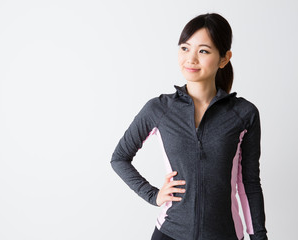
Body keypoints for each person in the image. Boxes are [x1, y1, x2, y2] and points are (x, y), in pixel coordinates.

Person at [110, 13, 268, 240]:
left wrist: (259, 236)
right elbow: (119, 158)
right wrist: (153, 195)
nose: (191, 58)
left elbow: (248, 183)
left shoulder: (243, 114)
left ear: (224, 58)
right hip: (169, 233)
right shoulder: (159, 109)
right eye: (185, 48)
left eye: (203, 51)